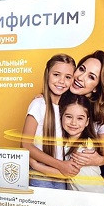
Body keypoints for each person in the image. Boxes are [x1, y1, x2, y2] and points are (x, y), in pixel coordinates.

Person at [21, 54, 77, 189]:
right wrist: (60, 165)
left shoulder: (68, 108)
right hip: (40, 175)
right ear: (47, 74)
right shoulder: (38, 104)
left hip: (61, 176)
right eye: (56, 75)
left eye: (68, 77)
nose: (62, 81)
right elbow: (25, 145)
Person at [68, 50, 104, 187]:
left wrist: (93, 160)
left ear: (96, 88)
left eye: (91, 77)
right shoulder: (64, 96)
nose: (80, 77)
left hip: (100, 166)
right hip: (71, 161)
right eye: (81, 69)